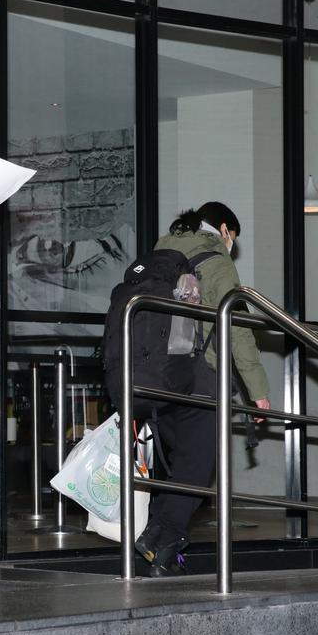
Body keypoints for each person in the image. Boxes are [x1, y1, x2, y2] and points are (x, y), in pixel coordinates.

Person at [133, 202, 272, 577]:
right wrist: (256, 389)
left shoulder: (160, 251)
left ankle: (161, 551)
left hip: (158, 377)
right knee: (196, 471)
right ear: (224, 230)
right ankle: (159, 535)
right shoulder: (215, 259)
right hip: (200, 378)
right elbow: (237, 326)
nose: (232, 246)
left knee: (178, 468)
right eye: (233, 239)